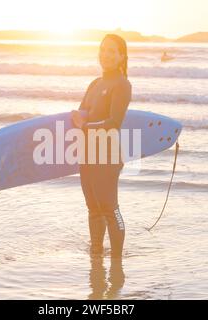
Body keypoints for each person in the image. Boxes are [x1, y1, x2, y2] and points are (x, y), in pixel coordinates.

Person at [71, 34, 132, 259]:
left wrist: (84, 125)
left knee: (109, 207)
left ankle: (117, 258)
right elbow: (82, 115)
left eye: (112, 51)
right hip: (88, 154)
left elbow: (114, 123)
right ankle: (96, 252)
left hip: (108, 155)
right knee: (93, 207)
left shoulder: (122, 84)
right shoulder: (95, 84)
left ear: (121, 56)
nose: (106, 55)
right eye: (103, 50)